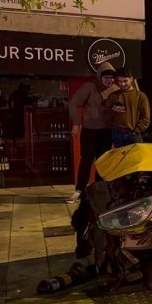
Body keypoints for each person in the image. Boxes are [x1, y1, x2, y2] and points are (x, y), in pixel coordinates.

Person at [65, 62, 119, 204]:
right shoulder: (90, 87)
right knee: (86, 161)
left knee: (102, 163)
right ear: (100, 76)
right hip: (89, 131)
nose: (109, 80)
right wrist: (76, 123)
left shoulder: (115, 90)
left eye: (111, 78)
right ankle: (79, 191)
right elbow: (74, 103)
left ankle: (99, 192)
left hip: (106, 132)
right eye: (106, 77)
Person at [104, 67, 150, 147]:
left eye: (125, 81)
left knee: (136, 159)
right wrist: (113, 110)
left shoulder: (141, 96)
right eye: (120, 81)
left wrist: (136, 131)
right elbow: (105, 116)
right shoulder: (113, 96)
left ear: (131, 79)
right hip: (117, 134)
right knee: (120, 159)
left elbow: (145, 118)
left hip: (134, 134)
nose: (122, 84)